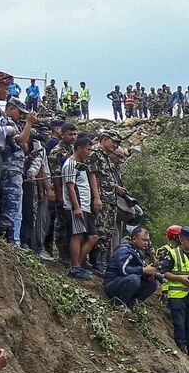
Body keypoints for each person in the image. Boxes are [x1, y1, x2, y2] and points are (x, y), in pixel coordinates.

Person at [155, 226, 189, 356]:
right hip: (176, 295)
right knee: (179, 324)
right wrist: (179, 278)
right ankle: (181, 349)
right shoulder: (173, 254)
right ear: (181, 239)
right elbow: (164, 272)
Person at [61, 132, 99, 278]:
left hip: (85, 205)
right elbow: (70, 187)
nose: (89, 153)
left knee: (92, 236)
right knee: (77, 235)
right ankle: (75, 267)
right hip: (76, 206)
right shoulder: (70, 164)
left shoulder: (80, 165)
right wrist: (76, 207)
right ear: (78, 148)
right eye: (87, 149)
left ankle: (78, 263)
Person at [103, 224, 160, 309]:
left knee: (152, 284)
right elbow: (124, 270)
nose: (146, 243)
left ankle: (131, 304)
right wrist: (143, 270)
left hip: (124, 282)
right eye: (144, 240)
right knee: (134, 278)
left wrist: (147, 276)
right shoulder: (124, 250)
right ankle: (118, 303)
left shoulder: (138, 252)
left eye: (148, 241)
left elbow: (136, 270)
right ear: (134, 239)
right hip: (112, 284)